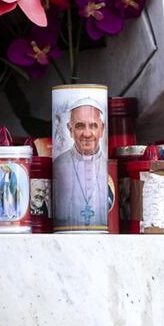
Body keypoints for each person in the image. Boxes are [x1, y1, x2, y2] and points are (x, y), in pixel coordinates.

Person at [53, 98, 110, 229]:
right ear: (70, 129)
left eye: (93, 126)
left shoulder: (109, 165)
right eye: (80, 126)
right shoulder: (59, 164)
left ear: (102, 129)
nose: (87, 134)